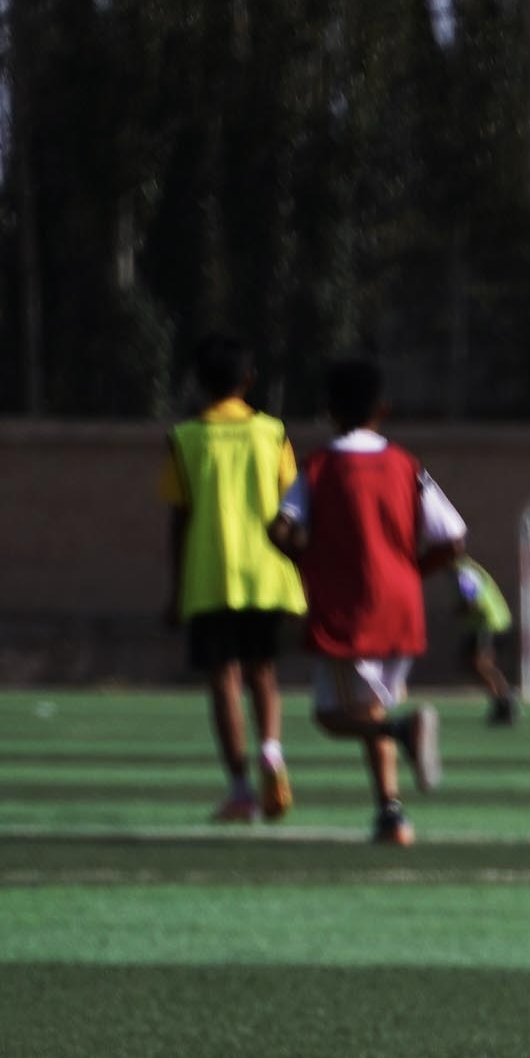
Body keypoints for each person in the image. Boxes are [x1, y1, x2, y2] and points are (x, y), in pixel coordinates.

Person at [277, 352, 465, 847]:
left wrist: (306, 559)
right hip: (401, 607)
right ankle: (392, 815)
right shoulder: (407, 465)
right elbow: (454, 538)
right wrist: (410, 571)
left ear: (329, 412)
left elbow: (282, 527)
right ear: (383, 408)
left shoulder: (319, 467)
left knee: (332, 717)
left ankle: (404, 736)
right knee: (372, 711)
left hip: (350, 609)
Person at [159, 330, 305, 825]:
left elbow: (179, 518)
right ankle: (271, 748)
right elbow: (292, 508)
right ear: (249, 380)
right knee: (263, 671)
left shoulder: (186, 439)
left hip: (211, 575)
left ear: (200, 382)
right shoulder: (273, 432)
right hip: (266, 573)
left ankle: (241, 789)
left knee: (223, 680)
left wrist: (177, 590)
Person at [451, 555, 519, 722]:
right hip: (485, 623)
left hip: (488, 623)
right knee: (473, 664)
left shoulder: (464, 571)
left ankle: (505, 701)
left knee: (480, 665)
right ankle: (503, 699)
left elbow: (472, 602)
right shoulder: (465, 568)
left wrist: (459, 611)